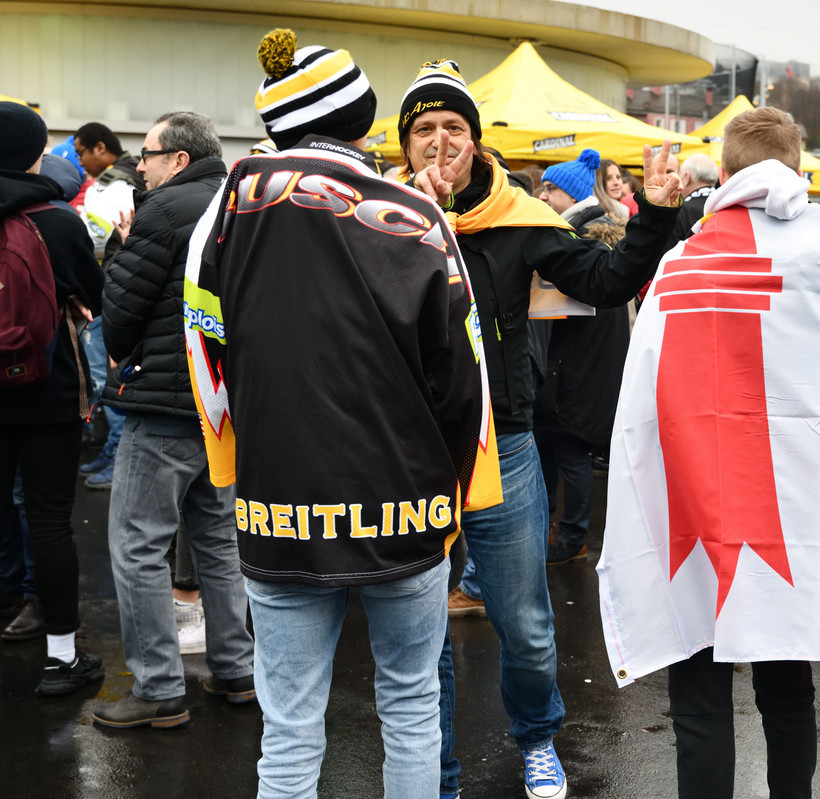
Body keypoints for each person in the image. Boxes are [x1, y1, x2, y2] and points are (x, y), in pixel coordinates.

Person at [182, 30, 489, 795]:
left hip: (275, 503)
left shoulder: (222, 212)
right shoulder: (413, 213)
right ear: (363, 119)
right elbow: (462, 372)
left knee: (287, 724)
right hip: (406, 500)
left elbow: (204, 352)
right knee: (412, 704)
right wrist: (458, 485)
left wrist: (232, 466)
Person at [598, 106, 820, 798]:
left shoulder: (681, 265)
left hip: (697, 507)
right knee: (787, 681)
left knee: (700, 689)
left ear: (727, 173)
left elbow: (642, 406)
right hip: (790, 510)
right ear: (799, 171)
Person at [396, 57, 682, 799]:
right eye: (423, 129)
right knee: (419, 626)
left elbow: (607, 281)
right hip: (407, 448)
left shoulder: (521, 219)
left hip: (507, 445)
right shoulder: (382, 218)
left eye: (452, 127)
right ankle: (440, 769)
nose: (438, 142)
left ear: (476, 140)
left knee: (521, 619)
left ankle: (536, 741)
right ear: (404, 144)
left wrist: (649, 214)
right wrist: (416, 228)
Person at [90, 110, 256, 729]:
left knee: (138, 546)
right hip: (223, 406)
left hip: (162, 406)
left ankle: (159, 686)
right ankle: (237, 668)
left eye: (148, 154)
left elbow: (122, 317)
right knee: (217, 541)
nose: (141, 165)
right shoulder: (242, 206)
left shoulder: (160, 212)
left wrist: (122, 245)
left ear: (179, 159)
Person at [0, 101, 106, 695]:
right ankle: (62, 658)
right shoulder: (58, 220)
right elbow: (97, 294)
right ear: (33, 152)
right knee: (49, 521)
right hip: (47, 391)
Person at [533, 151, 631, 565]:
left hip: (578, 358)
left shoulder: (581, 234)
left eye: (549, 188)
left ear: (568, 193)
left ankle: (571, 538)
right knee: (559, 449)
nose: (541, 193)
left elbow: (573, 300)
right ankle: (562, 533)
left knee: (571, 452)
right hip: (584, 357)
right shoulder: (587, 228)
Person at [73, 122, 146, 490]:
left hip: (114, 289)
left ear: (100, 147)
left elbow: (101, 238)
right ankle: (113, 452)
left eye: (82, 151)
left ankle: (118, 457)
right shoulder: (126, 176)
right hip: (116, 286)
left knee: (108, 376)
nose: (80, 160)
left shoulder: (116, 184)